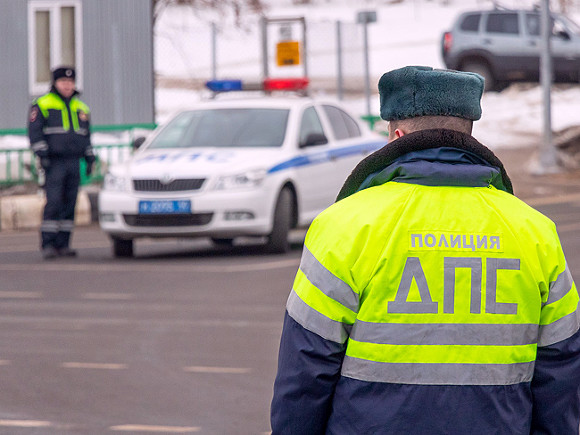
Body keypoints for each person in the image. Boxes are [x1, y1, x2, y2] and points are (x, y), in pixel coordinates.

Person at [271, 66, 580, 434]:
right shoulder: (535, 233)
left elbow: (305, 374)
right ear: (468, 133)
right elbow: (560, 376)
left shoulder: (343, 227)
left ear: (397, 135)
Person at [28, 66, 95, 259]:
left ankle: (64, 244)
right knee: (54, 202)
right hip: (54, 162)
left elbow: (86, 136)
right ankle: (48, 243)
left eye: (70, 82)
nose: (67, 85)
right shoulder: (42, 104)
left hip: (74, 161)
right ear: (55, 83)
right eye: (63, 82)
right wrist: (42, 154)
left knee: (69, 203)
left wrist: (89, 158)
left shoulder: (81, 108)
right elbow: (35, 132)